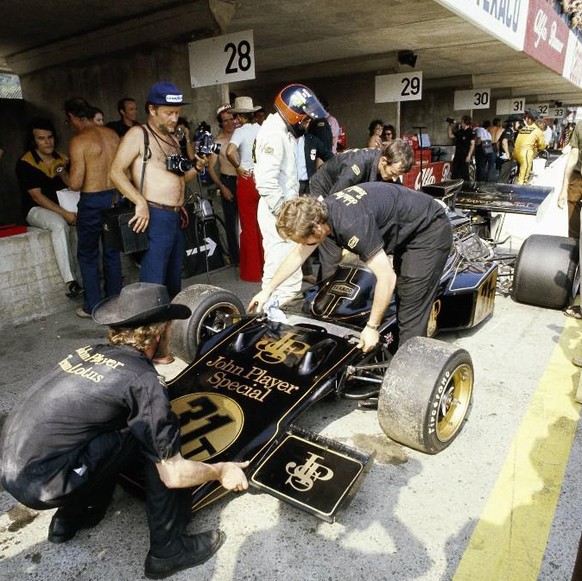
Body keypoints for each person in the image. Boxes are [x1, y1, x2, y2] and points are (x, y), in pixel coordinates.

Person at [0, 282, 249, 579]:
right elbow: (175, 474)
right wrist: (221, 471)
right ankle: (168, 551)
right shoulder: (142, 380)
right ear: (158, 332)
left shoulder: (89, 351)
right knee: (154, 438)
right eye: (170, 326)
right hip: (48, 483)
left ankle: (72, 518)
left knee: (108, 425)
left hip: (12, 468)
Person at [248, 182, 452, 353]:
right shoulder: (321, 212)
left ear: (317, 228)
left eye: (302, 239)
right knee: (401, 297)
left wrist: (371, 327)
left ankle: (410, 375)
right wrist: (268, 290)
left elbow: (386, 277)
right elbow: (297, 256)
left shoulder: (350, 225)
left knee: (411, 307)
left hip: (428, 230)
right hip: (405, 226)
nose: (302, 244)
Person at [110, 81, 206, 365]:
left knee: (173, 285)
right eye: (168, 113)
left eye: (176, 113)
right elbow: (115, 171)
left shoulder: (173, 138)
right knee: (152, 289)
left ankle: (164, 346)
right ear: (151, 109)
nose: (174, 119)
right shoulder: (138, 134)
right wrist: (139, 201)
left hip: (175, 217)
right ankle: (141, 353)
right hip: (154, 216)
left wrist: (197, 168)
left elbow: (178, 179)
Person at [254, 84, 328, 305]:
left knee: (284, 272)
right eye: (305, 119)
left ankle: (272, 316)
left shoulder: (282, 132)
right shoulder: (273, 135)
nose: (306, 125)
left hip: (283, 209)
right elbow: (266, 183)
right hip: (277, 213)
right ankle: (273, 322)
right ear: (293, 114)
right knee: (283, 275)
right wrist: (287, 217)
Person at [309, 138, 414, 279]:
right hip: (325, 194)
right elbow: (335, 207)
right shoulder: (356, 166)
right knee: (332, 251)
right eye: (393, 173)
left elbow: (399, 195)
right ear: (383, 161)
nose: (394, 178)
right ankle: (325, 289)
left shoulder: (389, 165)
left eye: (398, 175)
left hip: (348, 196)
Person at [64, 97, 123, 319]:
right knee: (112, 251)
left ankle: (93, 306)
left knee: (88, 255)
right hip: (114, 197)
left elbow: (75, 183)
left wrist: (62, 170)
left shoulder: (79, 140)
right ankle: (115, 302)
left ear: (72, 117)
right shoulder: (111, 134)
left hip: (92, 200)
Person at [15, 117, 83, 299]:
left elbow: (73, 185)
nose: (47, 141)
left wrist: (63, 171)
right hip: (36, 209)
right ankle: (70, 282)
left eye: (50, 137)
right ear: (33, 141)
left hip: (65, 206)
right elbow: (36, 196)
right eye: (41, 138)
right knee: (59, 225)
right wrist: (65, 214)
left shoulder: (62, 158)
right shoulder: (26, 162)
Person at [226, 96, 264, 282]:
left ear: (240, 117)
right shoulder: (262, 129)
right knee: (263, 225)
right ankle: (266, 268)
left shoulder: (240, 132)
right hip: (263, 178)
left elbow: (229, 152)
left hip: (247, 179)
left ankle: (252, 272)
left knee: (248, 226)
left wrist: (238, 167)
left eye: (236, 117)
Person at [207, 104, 240, 266]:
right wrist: (222, 186)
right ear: (221, 123)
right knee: (231, 223)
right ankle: (236, 259)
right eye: (225, 121)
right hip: (228, 181)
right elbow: (211, 168)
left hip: (245, 180)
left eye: (231, 119)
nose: (229, 123)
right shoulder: (217, 141)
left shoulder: (242, 134)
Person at [558, 120, 582, 322]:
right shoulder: (581, 125)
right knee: (573, 233)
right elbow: (573, 155)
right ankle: (574, 273)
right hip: (577, 176)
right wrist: (563, 188)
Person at [512, 109, 546, 185]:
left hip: (516, 153)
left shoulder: (523, 129)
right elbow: (542, 145)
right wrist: (539, 148)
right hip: (525, 154)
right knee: (523, 178)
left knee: (519, 172)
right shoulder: (537, 131)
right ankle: (520, 190)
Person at [448, 116, 476, 181]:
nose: (460, 122)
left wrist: (469, 156)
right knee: (455, 172)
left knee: (464, 172)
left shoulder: (471, 132)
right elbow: (450, 136)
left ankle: (466, 187)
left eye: (462, 121)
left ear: (465, 122)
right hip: (457, 154)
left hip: (465, 154)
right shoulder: (460, 131)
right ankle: (455, 186)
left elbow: (472, 144)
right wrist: (449, 125)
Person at [496, 115, 522, 183]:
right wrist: (507, 153)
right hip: (507, 157)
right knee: (503, 175)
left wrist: (498, 151)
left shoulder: (513, 132)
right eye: (518, 122)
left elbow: (498, 142)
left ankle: (502, 188)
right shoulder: (509, 131)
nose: (519, 124)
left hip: (508, 156)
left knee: (506, 174)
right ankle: (500, 190)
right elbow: (504, 142)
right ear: (513, 123)